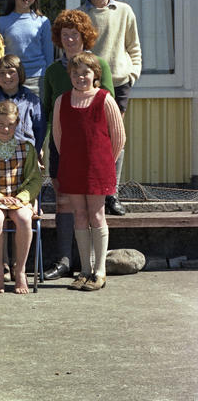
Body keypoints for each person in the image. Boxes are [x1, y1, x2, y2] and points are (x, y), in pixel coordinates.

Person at [42, 10, 115, 280]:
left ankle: (96, 267)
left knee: (94, 212)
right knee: (65, 205)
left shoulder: (99, 65)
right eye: (65, 35)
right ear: (58, 38)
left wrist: (107, 157)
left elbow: (109, 113)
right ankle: (65, 260)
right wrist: (44, 147)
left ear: (84, 36)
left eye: (75, 34)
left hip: (95, 153)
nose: (70, 39)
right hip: (62, 147)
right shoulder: (52, 71)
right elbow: (48, 111)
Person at [53, 53, 125, 292]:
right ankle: (84, 270)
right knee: (80, 215)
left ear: (95, 75)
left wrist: (104, 163)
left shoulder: (105, 99)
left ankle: (100, 271)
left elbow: (119, 137)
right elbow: (58, 137)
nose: (80, 77)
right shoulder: (62, 101)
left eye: (86, 72)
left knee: (97, 215)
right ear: (70, 76)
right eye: (75, 73)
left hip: (98, 168)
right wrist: (72, 160)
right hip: (72, 167)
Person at [79, 0, 142, 216]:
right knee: (91, 138)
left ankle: (111, 193)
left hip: (118, 82)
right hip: (91, 85)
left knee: (114, 138)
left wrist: (132, 74)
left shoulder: (124, 11)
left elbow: (134, 47)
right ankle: (91, 190)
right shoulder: (81, 14)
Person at [0, 100, 42, 294]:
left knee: (24, 219)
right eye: (1, 124)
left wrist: (22, 198)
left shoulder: (27, 148)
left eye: (11, 124)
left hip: (19, 198)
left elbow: (35, 180)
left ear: (17, 123)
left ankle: (20, 270)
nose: (5, 129)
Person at [0, 0, 53, 96]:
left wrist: (49, 79)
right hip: (11, 79)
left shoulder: (43, 22)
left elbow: (49, 55)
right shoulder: (0, 23)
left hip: (38, 80)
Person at [0, 55, 46, 155]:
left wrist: (35, 154)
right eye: (1, 73)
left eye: (11, 72)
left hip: (24, 154)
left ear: (20, 73)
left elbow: (40, 131)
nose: (7, 76)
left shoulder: (33, 101)